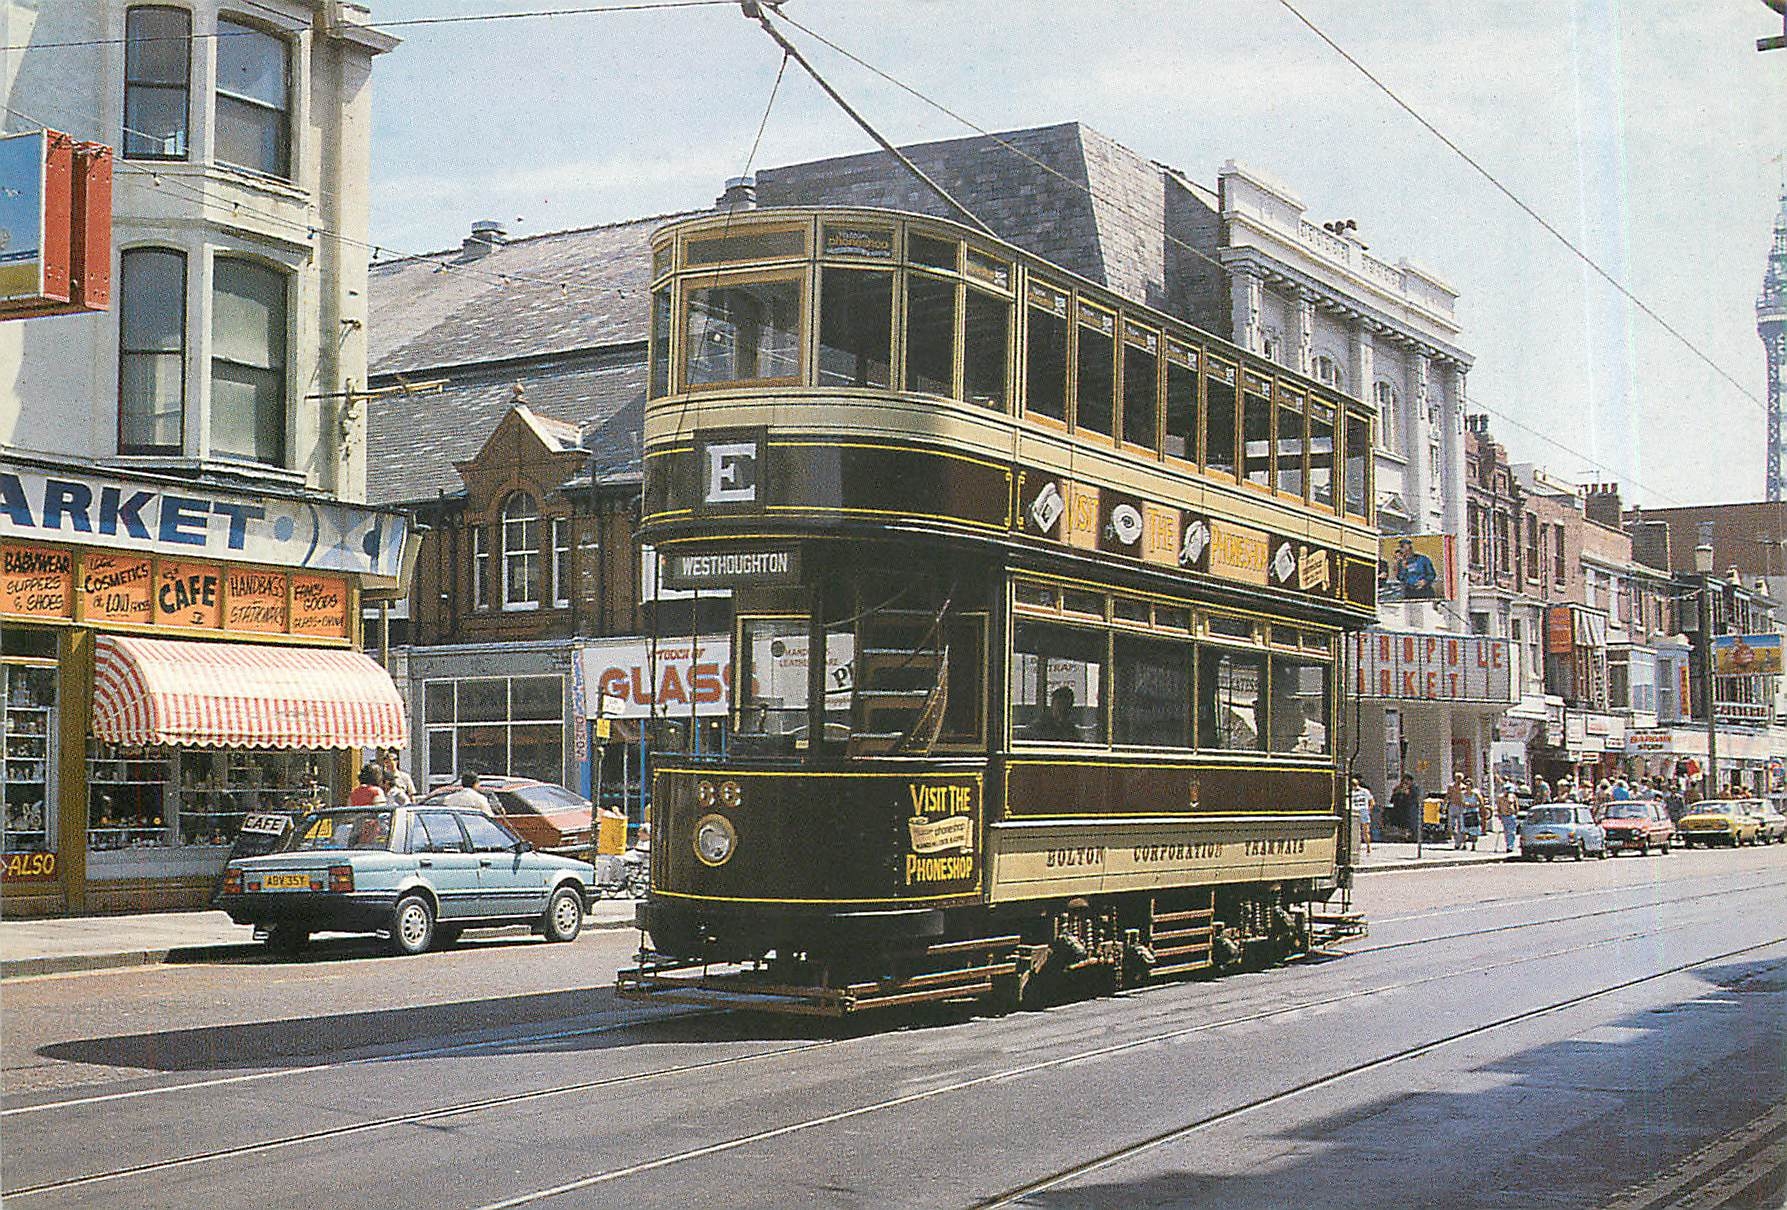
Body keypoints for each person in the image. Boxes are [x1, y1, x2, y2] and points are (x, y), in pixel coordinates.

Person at [1390, 774, 1422, 841]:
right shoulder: (1398, 788)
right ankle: (1403, 836)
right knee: (1402, 824)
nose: (1405, 783)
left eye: (1407, 781)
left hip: (1411, 808)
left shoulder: (1414, 788)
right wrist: (1397, 792)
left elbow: (1415, 798)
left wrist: (1406, 792)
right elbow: (1392, 799)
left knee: (1412, 824)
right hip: (1400, 809)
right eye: (1404, 781)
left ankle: (1413, 837)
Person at [1349, 776, 1376, 854]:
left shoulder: (1364, 791)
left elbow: (1372, 801)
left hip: (1363, 811)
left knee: (1365, 831)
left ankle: (1368, 846)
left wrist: (1368, 810)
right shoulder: (1350, 792)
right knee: (1355, 830)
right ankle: (1357, 846)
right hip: (1354, 811)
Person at [1460, 779, 1483, 850]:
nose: (1467, 787)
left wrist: (1475, 805)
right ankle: (1464, 844)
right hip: (1465, 812)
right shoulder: (1462, 794)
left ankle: (1474, 845)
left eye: (1469, 785)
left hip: (1474, 812)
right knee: (1464, 829)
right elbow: (1461, 802)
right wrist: (1465, 804)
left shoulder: (1475, 794)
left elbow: (1481, 803)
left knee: (1474, 829)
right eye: (1466, 785)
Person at [1497, 782, 1520, 853]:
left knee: (1512, 832)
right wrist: (1499, 815)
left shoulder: (1513, 796)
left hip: (1511, 815)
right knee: (1506, 832)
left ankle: (1510, 846)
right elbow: (1499, 807)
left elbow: (1516, 806)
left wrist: (1516, 813)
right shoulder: (1500, 797)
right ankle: (1508, 844)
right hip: (1504, 816)